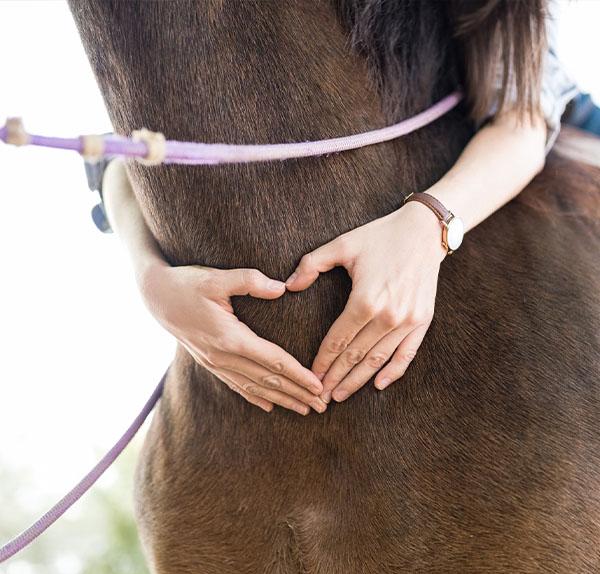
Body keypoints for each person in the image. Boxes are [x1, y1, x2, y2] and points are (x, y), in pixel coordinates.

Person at [84, 11, 582, 414]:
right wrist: (150, 279)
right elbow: (125, 150)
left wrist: (429, 224)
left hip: (518, 138)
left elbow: (522, 115)